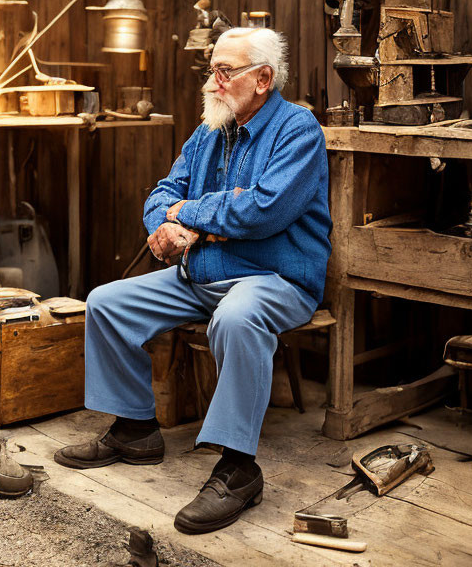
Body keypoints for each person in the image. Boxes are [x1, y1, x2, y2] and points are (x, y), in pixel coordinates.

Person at [54, 27, 332, 535]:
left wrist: (192, 216)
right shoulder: (210, 129)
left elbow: (263, 210)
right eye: (213, 71)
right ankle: (136, 430)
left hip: (276, 278)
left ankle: (238, 468)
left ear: (264, 79)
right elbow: (163, 191)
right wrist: (166, 224)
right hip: (203, 273)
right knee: (106, 302)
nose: (213, 82)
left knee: (239, 316)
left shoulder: (298, 130)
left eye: (226, 72)